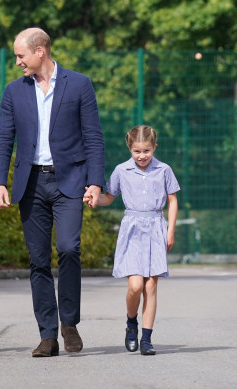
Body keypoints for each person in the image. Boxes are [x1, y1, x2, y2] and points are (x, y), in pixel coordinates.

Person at [0, 27, 105, 357]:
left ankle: (69, 322)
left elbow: (94, 137)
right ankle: (48, 334)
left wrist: (95, 182)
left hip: (69, 181)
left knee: (69, 248)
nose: (17, 62)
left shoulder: (79, 84)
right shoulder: (14, 92)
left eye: (20, 55)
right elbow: (3, 140)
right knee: (39, 260)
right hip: (30, 184)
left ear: (40, 51)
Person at [83, 125, 179, 355]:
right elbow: (109, 197)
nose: (142, 156)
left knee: (151, 286)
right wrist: (93, 198)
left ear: (154, 147)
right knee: (135, 286)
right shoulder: (121, 170)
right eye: (137, 151)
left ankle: (146, 338)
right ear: (130, 148)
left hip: (156, 227)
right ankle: (131, 323)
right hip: (132, 229)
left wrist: (171, 231)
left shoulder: (164, 170)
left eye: (146, 150)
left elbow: (172, 201)